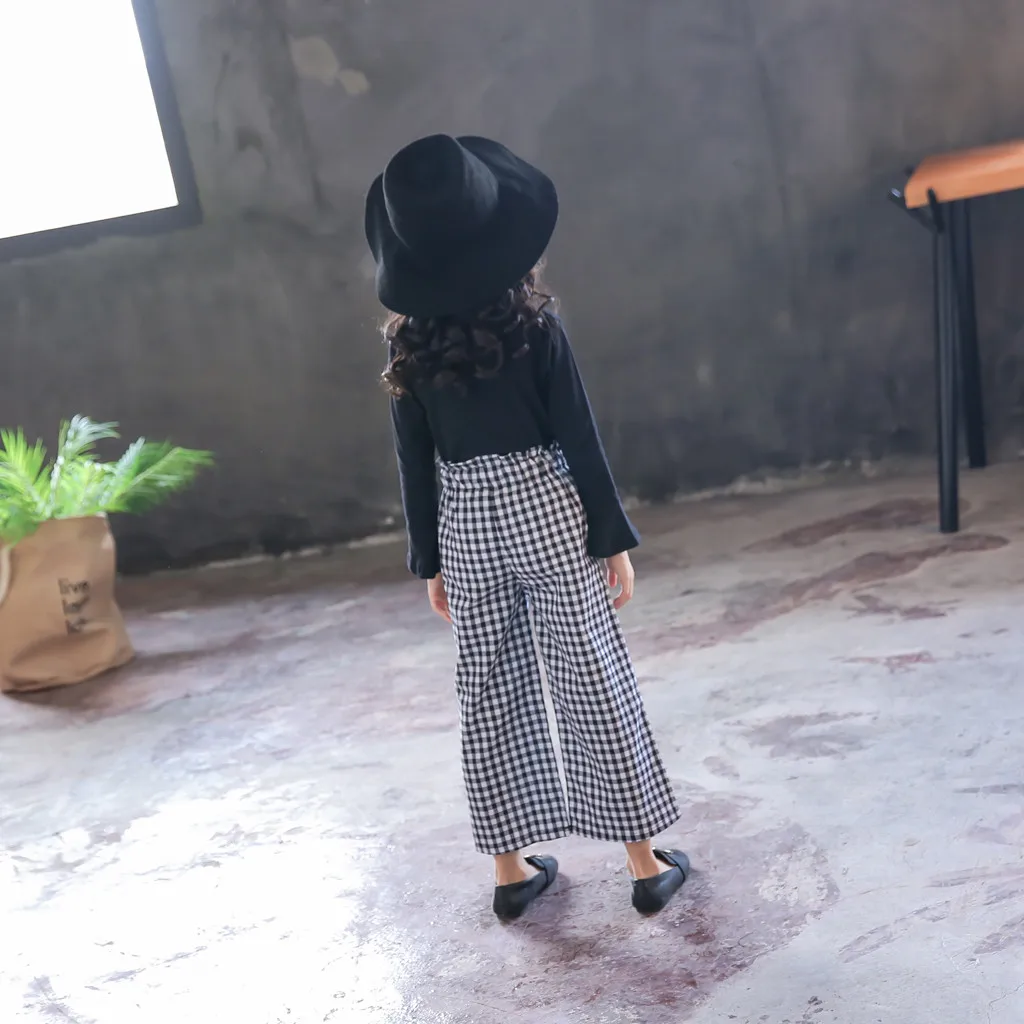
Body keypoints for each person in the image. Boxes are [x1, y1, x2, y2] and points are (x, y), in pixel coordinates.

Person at [365, 134, 689, 919]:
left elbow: (414, 461)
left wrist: (430, 559)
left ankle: (511, 873)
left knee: (487, 687)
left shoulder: (409, 348)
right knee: (591, 673)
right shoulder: (535, 329)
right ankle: (644, 864)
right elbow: (578, 432)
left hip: (465, 520)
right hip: (545, 508)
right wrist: (610, 536)